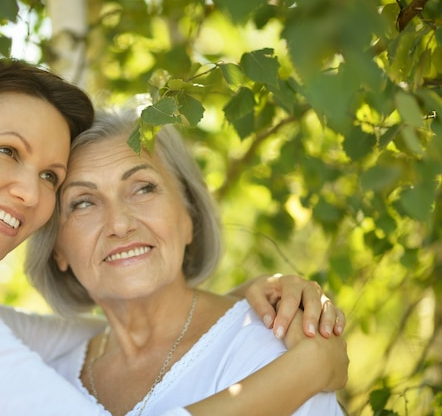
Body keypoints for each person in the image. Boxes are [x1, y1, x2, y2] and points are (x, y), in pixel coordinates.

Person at [0, 58, 343, 416]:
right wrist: (308, 366)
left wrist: (244, 300)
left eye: (49, 175)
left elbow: (131, 339)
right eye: (6, 150)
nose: (27, 190)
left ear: (190, 217)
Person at [25, 108, 348, 416]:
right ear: (57, 250)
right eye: (83, 203)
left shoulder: (272, 349)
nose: (120, 224)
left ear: (188, 215)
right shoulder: (45, 378)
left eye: (143, 188)